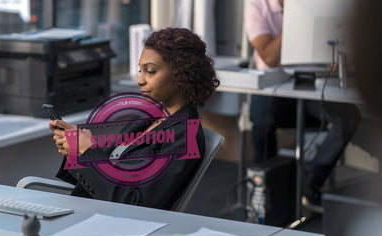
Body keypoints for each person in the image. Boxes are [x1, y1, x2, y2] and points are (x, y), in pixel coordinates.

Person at [49, 27, 219, 210]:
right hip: (89, 210)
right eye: (140, 71)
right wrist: (76, 150)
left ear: (181, 74)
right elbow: (107, 172)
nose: (140, 80)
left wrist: (86, 150)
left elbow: (136, 203)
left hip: (113, 224)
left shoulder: (185, 136)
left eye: (150, 71)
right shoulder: (148, 118)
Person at [245, 0, 361, 211]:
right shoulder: (257, 5)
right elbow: (269, 57)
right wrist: (295, 15)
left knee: (348, 116)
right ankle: (267, 193)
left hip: (316, 85)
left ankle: (310, 184)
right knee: (262, 119)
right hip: (275, 86)